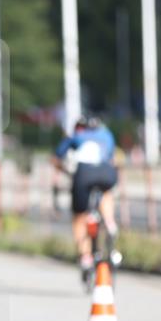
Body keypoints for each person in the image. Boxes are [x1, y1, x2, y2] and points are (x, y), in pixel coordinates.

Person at [53, 115, 119, 283]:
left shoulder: (75, 136)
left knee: (79, 216)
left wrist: (67, 172)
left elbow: (56, 159)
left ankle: (85, 257)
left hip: (83, 173)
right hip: (106, 171)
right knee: (106, 192)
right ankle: (110, 223)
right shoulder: (107, 134)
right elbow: (111, 158)